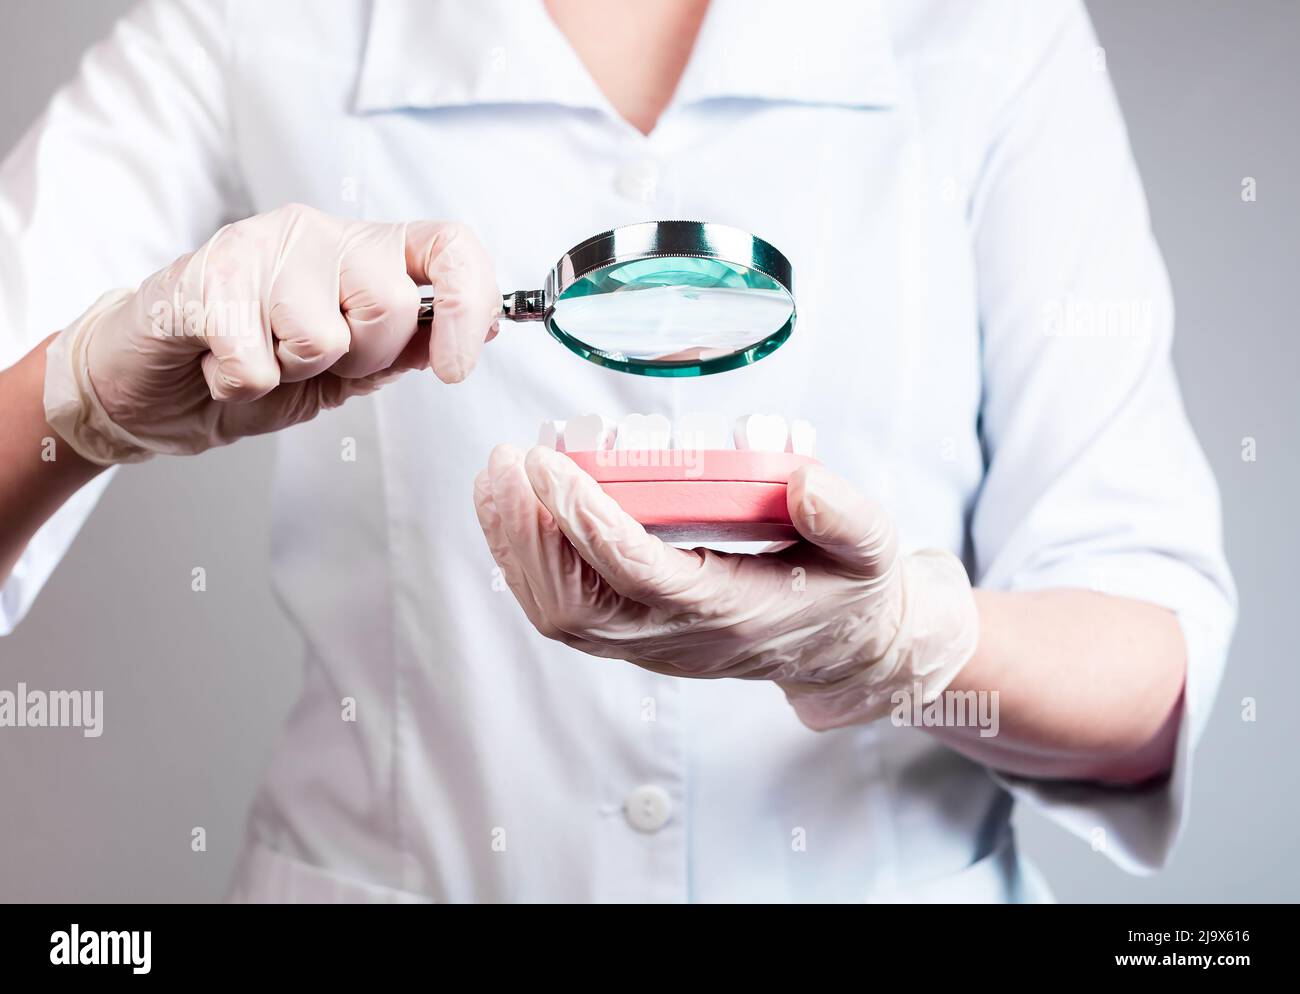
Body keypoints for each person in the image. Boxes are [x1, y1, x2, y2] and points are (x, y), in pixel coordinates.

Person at [0, 0, 1234, 902]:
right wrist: (85, 389)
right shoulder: (244, 26)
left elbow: (1147, 667)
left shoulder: (992, 32)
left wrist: (902, 642)